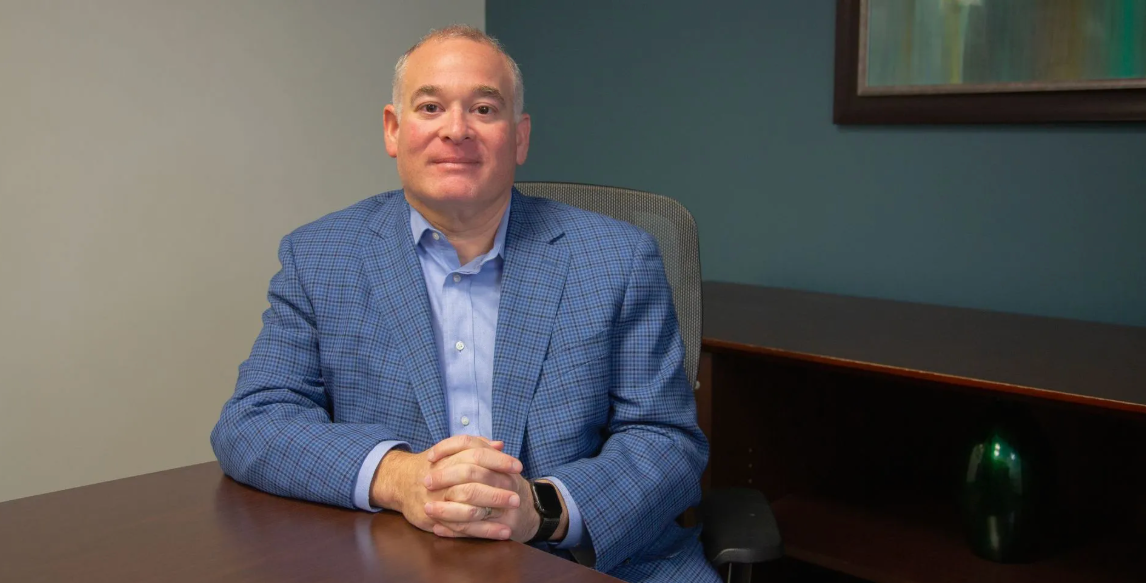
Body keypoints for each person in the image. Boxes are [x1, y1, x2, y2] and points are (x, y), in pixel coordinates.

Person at [210, 25, 718, 583]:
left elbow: (666, 443)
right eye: (430, 106)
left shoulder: (617, 259)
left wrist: (539, 508)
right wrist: (400, 476)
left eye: (483, 108)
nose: (456, 130)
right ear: (394, 129)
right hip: (398, 558)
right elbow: (254, 421)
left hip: (591, 563)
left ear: (519, 137)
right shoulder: (320, 256)